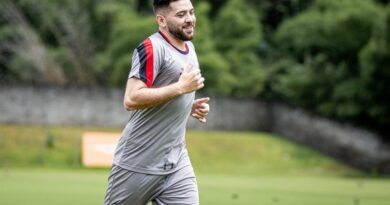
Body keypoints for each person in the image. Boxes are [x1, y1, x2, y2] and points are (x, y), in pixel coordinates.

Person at [103, 0, 209, 204]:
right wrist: (180, 89)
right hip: (137, 164)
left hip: (176, 164)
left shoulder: (190, 48)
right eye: (181, 15)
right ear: (161, 20)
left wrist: (189, 106)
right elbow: (132, 98)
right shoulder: (151, 48)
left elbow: (173, 93)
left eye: (191, 12)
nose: (190, 19)